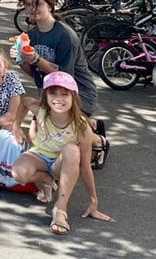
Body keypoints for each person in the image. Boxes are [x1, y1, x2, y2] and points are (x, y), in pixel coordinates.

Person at [11, 72, 111, 235]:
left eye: (65, 94)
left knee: (71, 149)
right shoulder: (41, 111)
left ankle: (60, 208)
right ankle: (46, 179)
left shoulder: (81, 125)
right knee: (18, 173)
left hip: (62, 162)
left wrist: (93, 200)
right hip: (40, 156)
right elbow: (24, 102)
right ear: (46, 95)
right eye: (53, 93)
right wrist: (16, 126)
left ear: (73, 97)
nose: (58, 99)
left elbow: (85, 166)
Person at [18, 0, 106, 167]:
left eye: (37, 4)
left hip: (77, 94)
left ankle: (98, 141)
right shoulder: (31, 35)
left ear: (50, 5)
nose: (32, 9)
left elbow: (65, 78)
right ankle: (88, 125)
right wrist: (22, 61)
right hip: (51, 95)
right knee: (40, 136)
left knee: (60, 136)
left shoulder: (65, 35)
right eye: (28, 4)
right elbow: (35, 73)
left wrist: (36, 58)